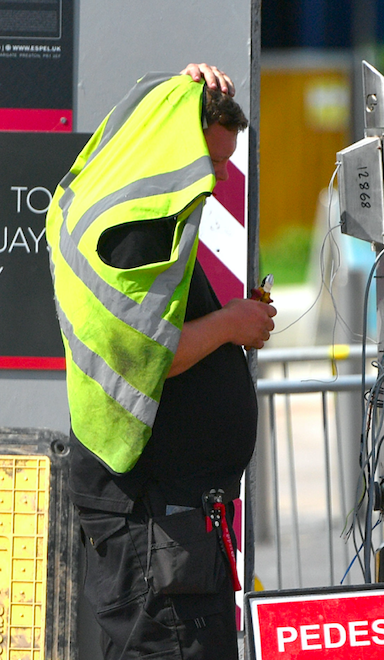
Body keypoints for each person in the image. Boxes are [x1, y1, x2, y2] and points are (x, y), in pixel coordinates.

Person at [46, 63, 276, 660]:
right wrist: (231, 324)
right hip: (153, 519)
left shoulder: (138, 211)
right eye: (214, 160)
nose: (221, 177)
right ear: (179, 148)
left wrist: (174, 89)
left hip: (166, 517)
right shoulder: (136, 231)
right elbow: (151, 357)